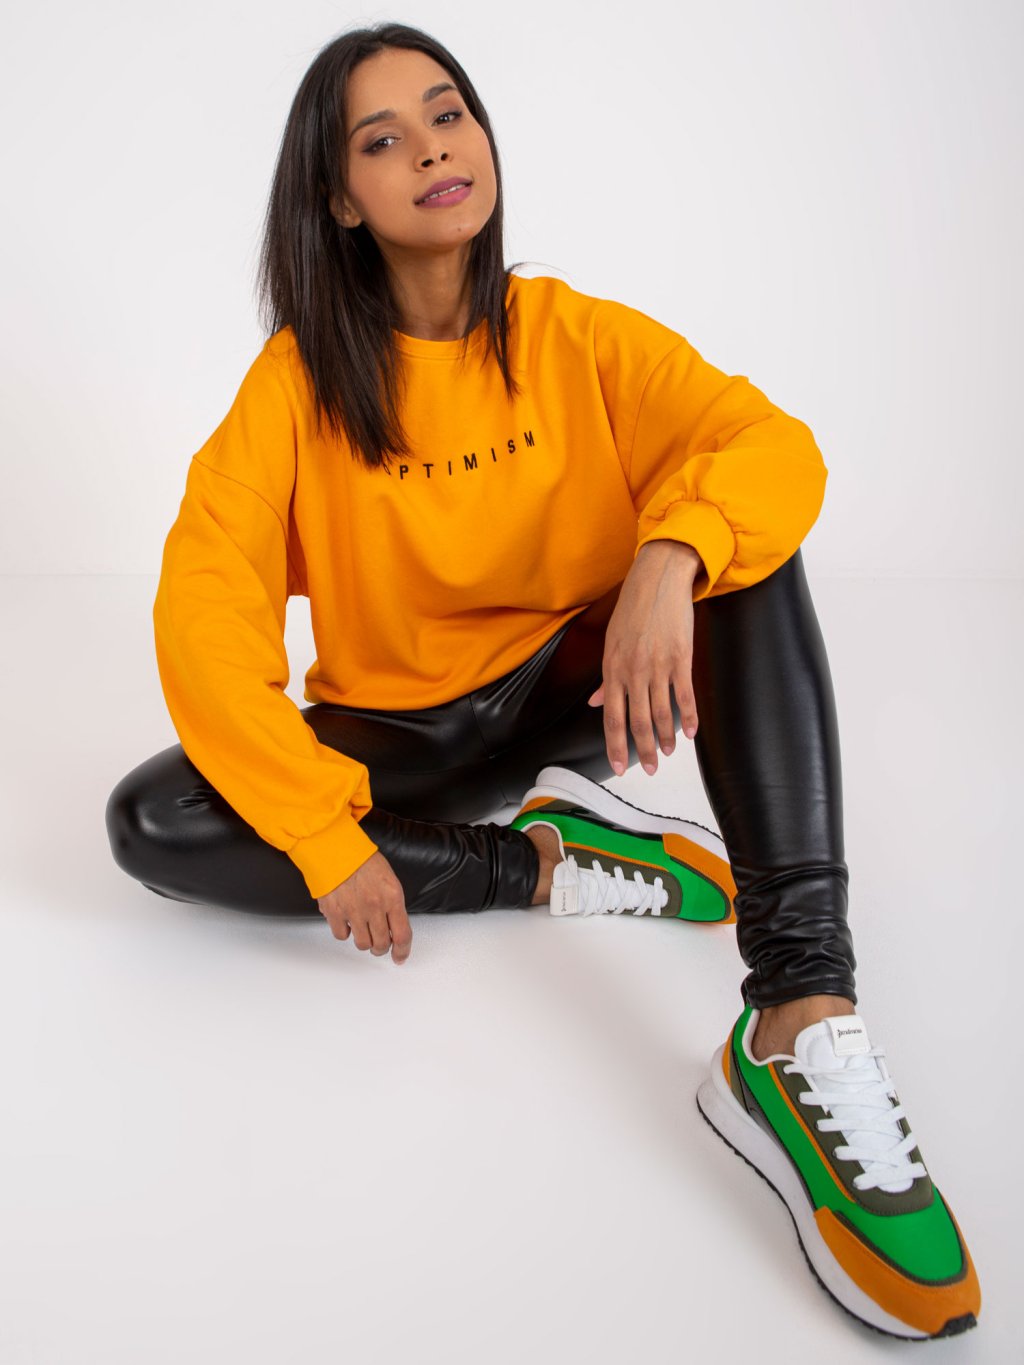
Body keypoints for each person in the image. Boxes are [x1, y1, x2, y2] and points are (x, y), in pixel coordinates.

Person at [104, 22, 980, 1341]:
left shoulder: (576, 337)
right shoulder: (296, 386)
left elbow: (773, 446)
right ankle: (536, 862)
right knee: (154, 819)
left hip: (570, 699)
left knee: (746, 541)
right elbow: (202, 612)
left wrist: (673, 552)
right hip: (399, 737)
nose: (431, 150)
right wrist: (319, 832)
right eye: (383, 139)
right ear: (340, 199)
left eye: (447, 114)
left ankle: (798, 1015)